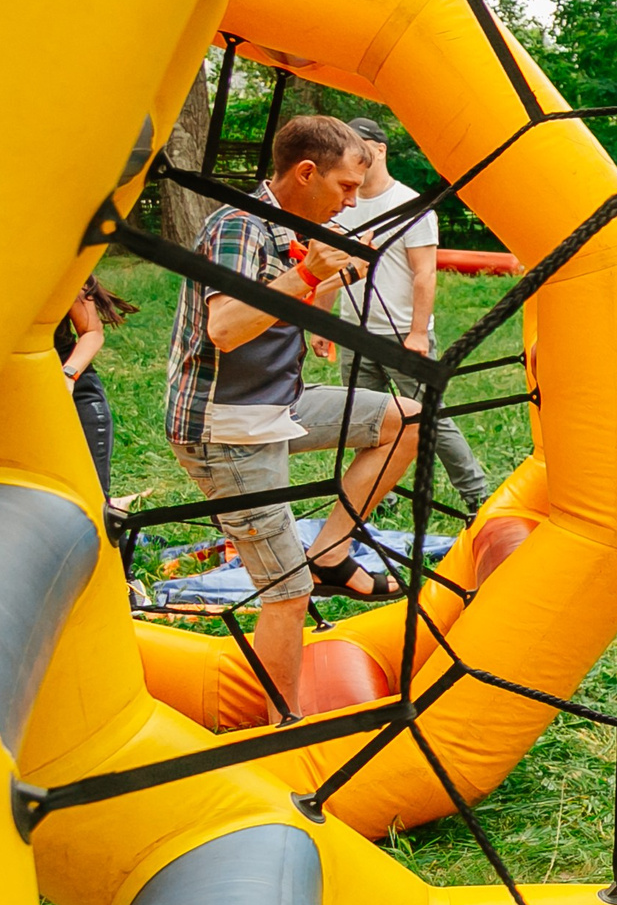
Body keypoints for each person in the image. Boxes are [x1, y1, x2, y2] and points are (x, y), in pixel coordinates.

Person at [163, 114, 424, 719]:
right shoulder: (238, 225)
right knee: (285, 591)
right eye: (345, 188)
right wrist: (309, 269)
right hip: (224, 426)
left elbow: (303, 315)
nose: (352, 201)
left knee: (405, 420)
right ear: (306, 172)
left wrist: (328, 273)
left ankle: (330, 551)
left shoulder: (293, 227)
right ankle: (282, 725)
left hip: (278, 406)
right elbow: (226, 328)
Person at [324, 117, 497, 514]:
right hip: (353, 333)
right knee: (363, 423)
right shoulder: (341, 201)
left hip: (403, 335)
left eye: (356, 147)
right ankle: (372, 497)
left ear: (379, 150)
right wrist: (324, 324)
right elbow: (330, 267)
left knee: (430, 420)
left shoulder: (409, 205)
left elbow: (425, 273)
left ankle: (477, 497)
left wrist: (418, 333)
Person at [54, 275, 136, 496]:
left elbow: (91, 332)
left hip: (70, 387)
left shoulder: (61, 264)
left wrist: (68, 375)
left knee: (91, 496)